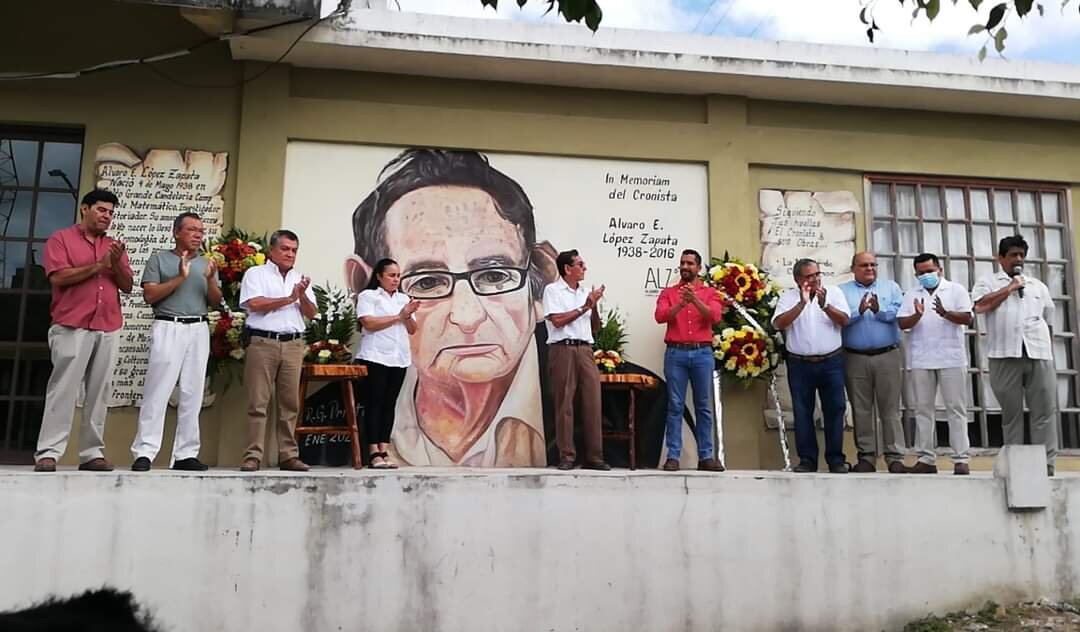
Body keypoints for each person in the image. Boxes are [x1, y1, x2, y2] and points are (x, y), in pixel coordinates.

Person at [346, 149, 553, 466]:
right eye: (428, 282)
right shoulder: (339, 411)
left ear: (540, 283)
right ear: (363, 281)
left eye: (494, 275)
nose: (467, 317)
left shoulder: (568, 407)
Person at [34, 189, 133, 472]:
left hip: (108, 325)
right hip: (71, 325)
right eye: (101, 210)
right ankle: (48, 452)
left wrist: (115, 265)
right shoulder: (61, 239)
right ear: (85, 209)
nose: (107, 216)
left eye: (111, 212)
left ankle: (91, 453)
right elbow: (58, 277)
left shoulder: (114, 246)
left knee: (100, 392)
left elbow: (127, 286)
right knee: (63, 390)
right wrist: (98, 266)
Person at [129, 212, 222, 472]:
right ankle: (145, 451)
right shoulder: (159, 259)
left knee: (193, 392)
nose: (198, 235)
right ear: (176, 232)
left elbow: (216, 301)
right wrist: (180, 278)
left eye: (201, 231)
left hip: (198, 327)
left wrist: (210, 279)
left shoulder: (206, 263)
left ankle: (185, 453)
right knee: (157, 390)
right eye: (192, 229)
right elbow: (149, 295)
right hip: (169, 325)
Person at [971, 234, 1058, 476]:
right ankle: (1016, 465)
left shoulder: (1037, 285)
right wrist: (1009, 288)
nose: (1018, 259)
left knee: (1044, 411)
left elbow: (1049, 319)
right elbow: (979, 306)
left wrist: (1047, 348)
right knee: (1011, 413)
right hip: (1004, 354)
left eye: (1021, 255)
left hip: (1038, 353)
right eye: (1012, 255)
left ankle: (1046, 464)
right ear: (1001, 258)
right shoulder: (988, 282)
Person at [238, 229, 317, 472]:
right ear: (271, 250)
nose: (290, 254)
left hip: (293, 344)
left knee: (290, 404)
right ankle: (253, 456)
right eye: (285, 249)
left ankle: (288, 455)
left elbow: (311, 312)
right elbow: (254, 304)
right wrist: (289, 298)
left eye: (294, 250)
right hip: (263, 343)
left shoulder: (300, 278)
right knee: (258, 402)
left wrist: (301, 296)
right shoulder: (256, 274)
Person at [772, 258, 851, 473]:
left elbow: (845, 321)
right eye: (809, 276)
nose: (815, 279)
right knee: (802, 411)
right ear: (798, 279)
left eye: (817, 274)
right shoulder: (788, 297)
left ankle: (835, 460)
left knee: (835, 409)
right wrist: (801, 303)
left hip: (831, 361)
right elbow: (778, 324)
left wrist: (825, 305)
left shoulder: (834, 293)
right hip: (800, 364)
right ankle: (807, 460)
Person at [898, 253, 974, 475]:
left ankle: (961, 459)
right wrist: (917, 316)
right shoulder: (912, 294)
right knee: (923, 409)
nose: (926, 275)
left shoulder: (956, 290)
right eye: (921, 273)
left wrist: (945, 313)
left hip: (951, 357)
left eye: (930, 271)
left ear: (940, 269)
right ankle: (926, 459)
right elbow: (902, 323)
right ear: (916, 274)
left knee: (956, 409)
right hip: (921, 358)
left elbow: (968, 318)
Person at [653, 249, 724, 472]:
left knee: (703, 406)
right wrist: (681, 304)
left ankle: (706, 457)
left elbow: (715, 316)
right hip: (676, 354)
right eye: (682, 263)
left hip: (702, 354)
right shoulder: (669, 292)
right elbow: (660, 316)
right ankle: (673, 456)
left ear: (698, 268)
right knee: (675, 405)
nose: (685, 267)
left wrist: (695, 300)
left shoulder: (710, 293)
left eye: (690, 263)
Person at [838, 251, 907, 474]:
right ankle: (866, 457)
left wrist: (879, 311)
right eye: (864, 265)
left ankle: (894, 457)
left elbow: (899, 314)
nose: (869, 268)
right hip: (855, 357)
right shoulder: (842, 291)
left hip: (887, 355)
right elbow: (839, 318)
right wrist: (858, 312)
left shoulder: (891, 288)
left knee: (890, 409)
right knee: (861, 409)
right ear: (853, 269)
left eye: (873, 265)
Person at [543, 249, 611, 471]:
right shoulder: (553, 290)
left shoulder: (585, 293)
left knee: (593, 402)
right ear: (567, 269)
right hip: (563, 348)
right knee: (565, 403)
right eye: (580, 265)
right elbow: (557, 321)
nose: (584, 268)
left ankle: (595, 456)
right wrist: (585, 307)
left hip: (585, 349)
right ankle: (567, 456)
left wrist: (594, 305)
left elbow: (595, 327)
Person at [355, 258, 419, 469]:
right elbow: (369, 323)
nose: (395, 279)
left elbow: (412, 329)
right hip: (375, 357)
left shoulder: (403, 299)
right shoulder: (369, 296)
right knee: (375, 403)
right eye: (391, 275)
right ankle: (373, 452)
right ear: (379, 276)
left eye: (398, 276)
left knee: (389, 404)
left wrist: (407, 315)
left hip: (398, 358)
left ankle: (384, 449)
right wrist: (399, 316)